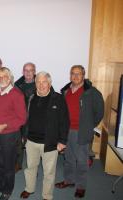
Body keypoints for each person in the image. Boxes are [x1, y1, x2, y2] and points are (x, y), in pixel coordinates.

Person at [55, 65, 104, 198]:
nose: (75, 76)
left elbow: (99, 112)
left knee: (82, 160)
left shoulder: (91, 92)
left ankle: (81, 186)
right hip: (66, 130)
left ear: (83, 75)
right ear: (70, 75)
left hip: (81, 131)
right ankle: (69, 180)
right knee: (68, 158)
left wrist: (89, 125)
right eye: (73, 74)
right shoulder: (65, 90)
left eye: (78, 74)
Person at [20, 71, 69, 200]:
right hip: (31, 142)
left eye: (44, 82)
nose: (41, 85)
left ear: (50, 83)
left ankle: (47, 195)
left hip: (50, 142)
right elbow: (25, 119)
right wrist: (23, 135)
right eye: (38, 82)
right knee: (30, 168)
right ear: (35, 84)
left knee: (49, 172)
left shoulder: (58, 99)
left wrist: (62, 141)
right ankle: (29, 188)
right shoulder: (30, 97)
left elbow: (64, 121)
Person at [0, 67, 27, 200]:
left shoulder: (17, 94)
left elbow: (22, 118)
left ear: (10, 78)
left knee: (8, 165)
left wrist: (5, 125)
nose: (1, 79)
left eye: (4, 77)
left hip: (10, 135)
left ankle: (7, 190)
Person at [14, 62, 37, 172]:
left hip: (34, 120)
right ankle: (18, 164)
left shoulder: (41, 84)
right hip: (20, 119)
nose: (28, 72)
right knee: (18, 143)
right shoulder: (17, 85)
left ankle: (33, 168)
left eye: (30, 70)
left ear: (34, 72)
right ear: (22, 72)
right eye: (26, 70)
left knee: (32, 146)